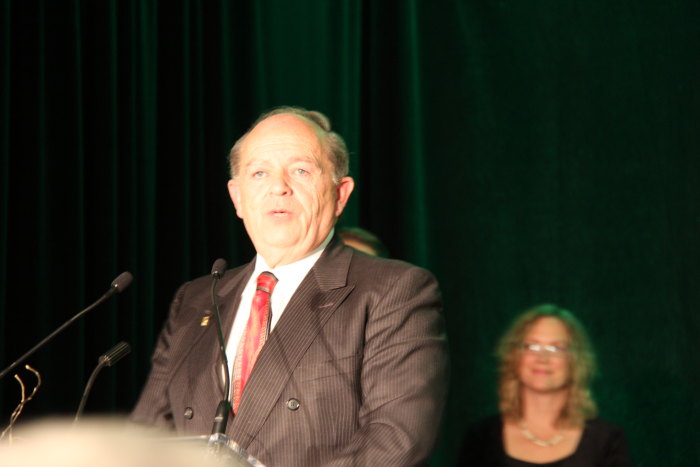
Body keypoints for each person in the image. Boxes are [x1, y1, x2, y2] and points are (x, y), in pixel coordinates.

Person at [131, 106, 449, 466]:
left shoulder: (394, 290)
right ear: (237, 198)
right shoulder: (197, 298)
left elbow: (396, 441)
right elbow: (147, 435)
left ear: (340, 193)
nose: (278, 187)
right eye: (259, 173)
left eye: (300, 171)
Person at [458, 304, 631, 466]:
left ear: (576, 362)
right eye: (532, 346)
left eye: (557, 348)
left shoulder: (606, 441)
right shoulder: (481, 439)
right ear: (514, 357)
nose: (543, 359)